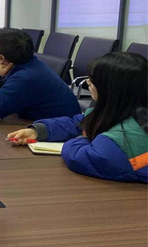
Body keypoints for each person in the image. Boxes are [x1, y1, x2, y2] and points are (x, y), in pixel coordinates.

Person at [8, 53, 147, 183]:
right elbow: (81, 122)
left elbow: (81, 157)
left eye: (93, 80)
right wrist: (39, 130)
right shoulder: (128, 110)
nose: (87, 82)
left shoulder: (121, 140)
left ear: (111, 89)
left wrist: (83, 138)